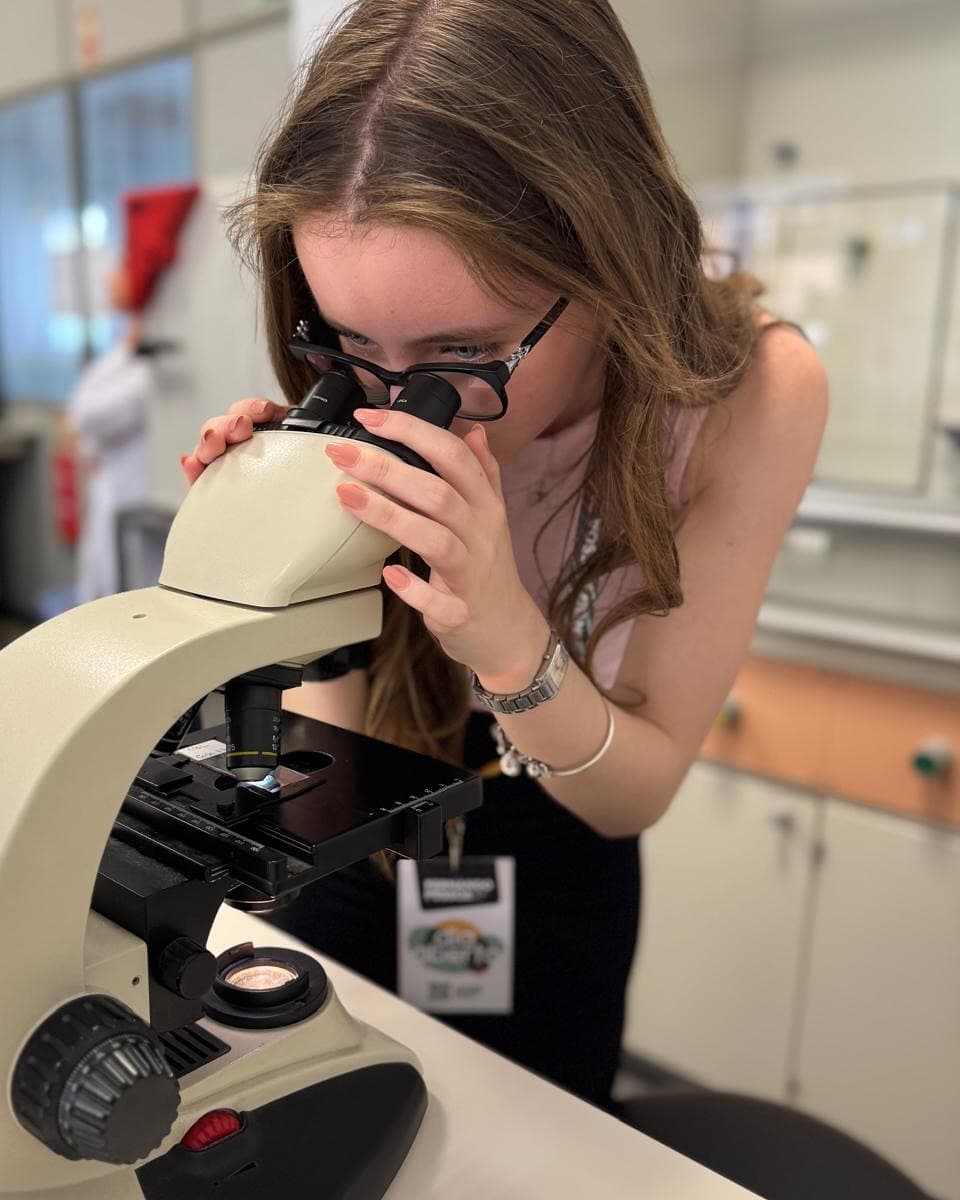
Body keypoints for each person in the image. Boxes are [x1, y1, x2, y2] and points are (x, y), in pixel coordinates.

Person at [180, 0, 827, 1110]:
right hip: (366, 808)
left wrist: (504, 634)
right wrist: (284, 572)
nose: (406, 399)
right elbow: (334, 720)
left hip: (562, 821)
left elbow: (634, 795)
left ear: (612, 253)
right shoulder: (372, 341)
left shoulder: (751, 396)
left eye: (463, 353)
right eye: (354, 347)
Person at [69, 268, 158, 604]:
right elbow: (81, 412)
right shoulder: (127, 351)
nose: (108, 280)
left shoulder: (147, 366)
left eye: (119, 270)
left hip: (140, 491)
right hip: (116, 490)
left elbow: (88, 414)